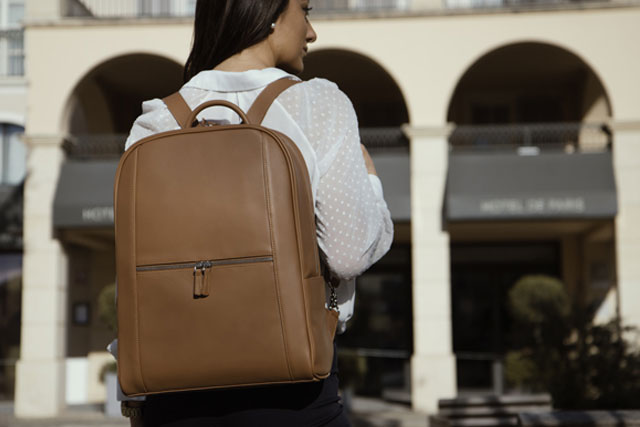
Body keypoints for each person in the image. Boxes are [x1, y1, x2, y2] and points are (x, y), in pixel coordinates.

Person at [108, 0, 394, 425]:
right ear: (271, 12)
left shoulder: (156, 119)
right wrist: (372, 185)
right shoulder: (317, 104)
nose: (311, 32)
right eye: (306, 9)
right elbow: (347, 254)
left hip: (171, 390)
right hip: (290, 389)